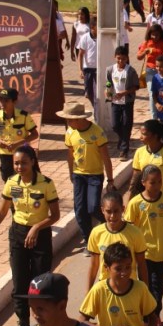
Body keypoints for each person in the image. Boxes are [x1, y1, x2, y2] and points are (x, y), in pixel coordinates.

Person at [0, 146, 59, 326]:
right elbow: (2, 211)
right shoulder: (12, 183)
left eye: (24, 162)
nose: (19, 166)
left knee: (40, 283)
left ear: (32, 162)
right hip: (18, 235)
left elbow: (54, 215)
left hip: (40, 236)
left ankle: (45, 324)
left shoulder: (46, 183)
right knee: (19, 284)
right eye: (16, 163)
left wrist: (37, 227)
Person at [125, 164, 163, 326]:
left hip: (162, 252)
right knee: (147, 286)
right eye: (152, 182)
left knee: (158, 287)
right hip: (142, 254)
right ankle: (152, 317)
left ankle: (153, 315)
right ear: (143, 182)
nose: (156, 186)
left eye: (159, 182)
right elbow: (129, 229)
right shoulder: (135, 203)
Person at [59, 102, 114, 255]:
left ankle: (110, 223)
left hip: (95, 176)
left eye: (70, 120)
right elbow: (70, 155)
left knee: (93, 207)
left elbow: (105, 157)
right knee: (80, 209)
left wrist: (110, 179)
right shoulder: (70, 133)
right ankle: (89, 240)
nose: (68, 123)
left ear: (79, 119)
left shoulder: (97, 132)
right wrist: (71, 172)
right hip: (78, 175)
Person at [85, 191, 147, 292]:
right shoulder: (96, 233)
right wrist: (88, 292)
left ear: (123, 209)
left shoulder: (135, 233)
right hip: (105, 289)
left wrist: (145, 291)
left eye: (116, 211)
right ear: (102, 210)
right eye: (109, 211)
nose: (112, 216)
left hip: (130, 288)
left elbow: (142, 264)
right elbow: (94, 265)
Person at [0, 88, 39, 183]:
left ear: (14, 102)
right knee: (8, 179)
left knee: (25, 178)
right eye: (1, 100)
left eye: (6, 101)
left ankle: (22, 197)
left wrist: (17, 143)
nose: (2, 103)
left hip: (22, 153)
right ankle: (11, 197)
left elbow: (34, 134)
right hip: (5, 154)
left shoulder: (24, 116)